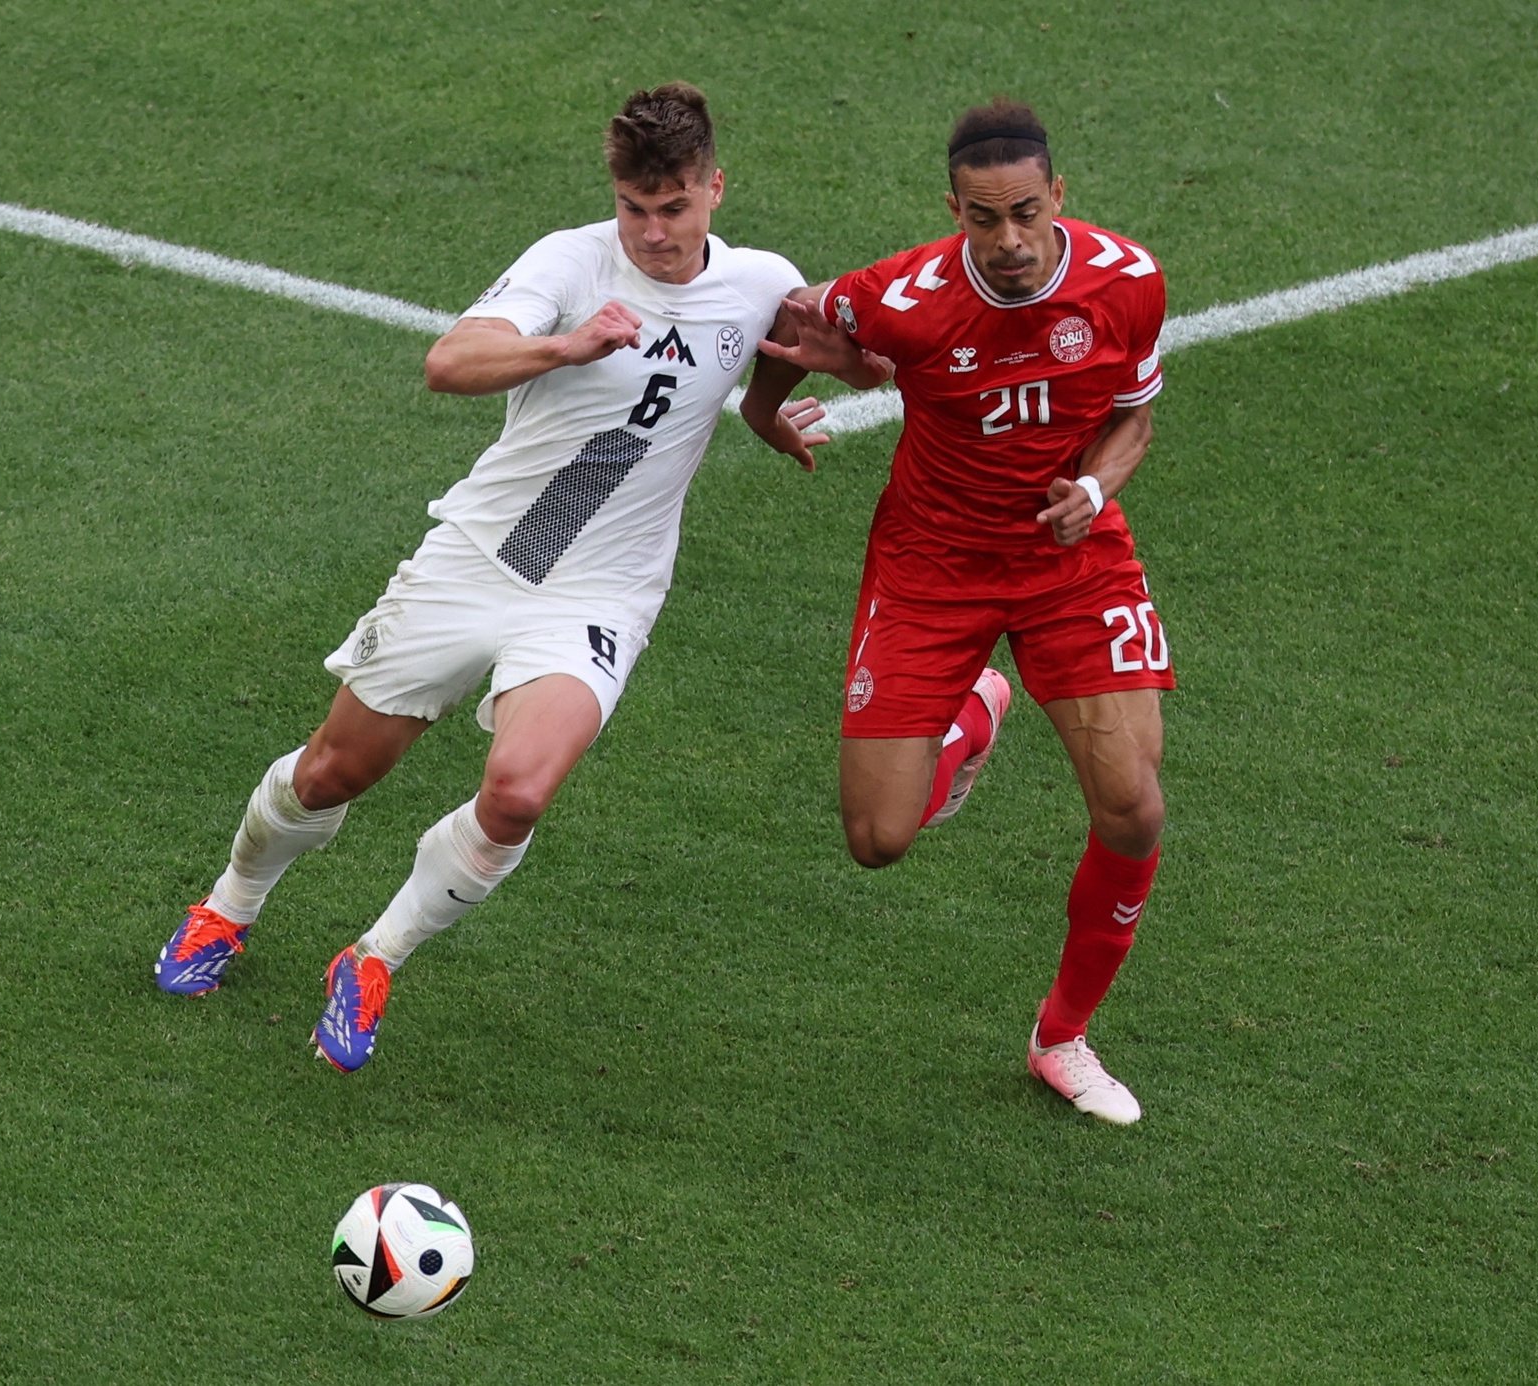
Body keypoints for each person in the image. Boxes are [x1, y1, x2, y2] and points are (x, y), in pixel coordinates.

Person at [154, 82, 879, 1072]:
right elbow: (450, 361)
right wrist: (564, 344)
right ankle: (227, 907)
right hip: (486, 557)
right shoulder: (569, 264)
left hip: (601, 592)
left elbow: (783, 361)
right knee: (334, 770)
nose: (654, 233)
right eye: (636, 208)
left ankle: (374, 958)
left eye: (674, 208)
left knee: (518, 794)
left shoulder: (759, 280)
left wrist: (778, 409)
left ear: (715, 187)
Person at [748, 99, 1172, 1124]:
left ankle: (1060, 1037)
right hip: (931, 563)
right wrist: (765, 418)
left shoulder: (1126, 283)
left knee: (1133, 806)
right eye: (985, 221)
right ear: (954, 213)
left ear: (1057, 195)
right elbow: (791, 322)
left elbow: (1133, 413)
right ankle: (976, 708)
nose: (1011, 240)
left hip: (1069, 560)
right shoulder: (900, 296)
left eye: (1026, 212)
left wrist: (1098, 490)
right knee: (874, 838)